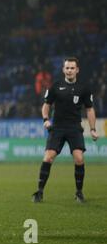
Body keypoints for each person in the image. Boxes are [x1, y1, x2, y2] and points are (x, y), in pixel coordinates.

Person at [32, 57, 99, 203]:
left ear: (77, 70)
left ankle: (79, 193)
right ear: (63, 70)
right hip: (57, 127)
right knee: (48, 157)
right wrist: (45, 119)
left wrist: (93, 129)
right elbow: (46, 105)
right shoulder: (55, 86)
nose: (69, 70)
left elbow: (89, 109)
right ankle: (39, 192)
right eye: (67, 68)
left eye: (72, 68)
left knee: (79, 158)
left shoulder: (84, 88)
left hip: (75, 127)